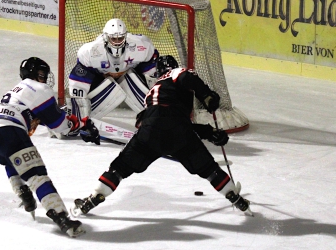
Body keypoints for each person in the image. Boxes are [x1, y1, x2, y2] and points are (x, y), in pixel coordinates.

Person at [70, 55, 251, 217]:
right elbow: (179, 110)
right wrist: (207, 96)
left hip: (149, 132)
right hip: (180, 132)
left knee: (119, 169)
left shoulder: (151, 93)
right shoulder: (175, 73)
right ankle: (236, 199)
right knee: (209, 170)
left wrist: (209, 132)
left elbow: (158, 121)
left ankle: (92, 199)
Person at [0, 57, 99, 237]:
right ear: (37, 75)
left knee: (12, 158)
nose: (46, 79)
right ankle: (62, 219)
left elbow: (34, 116)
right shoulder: (40, 89)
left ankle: (23, 192)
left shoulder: (18, 90)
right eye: (43, 74)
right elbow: (61, 126)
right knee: (37, 176)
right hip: (8, 130)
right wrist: (82, 125)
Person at [65, 18, 159, 137]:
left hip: (129, 78)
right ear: (105, 37)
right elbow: (79, 81)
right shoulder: (90, 51)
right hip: (102, 80)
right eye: (113, 38)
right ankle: (77, 120)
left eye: (120, 38)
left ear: (125, 36)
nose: (117, 42)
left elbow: (151, 77)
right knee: (80, 88)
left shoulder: (141, 46)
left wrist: (157, 100)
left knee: (153, 84)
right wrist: (80, 116)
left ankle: (156, 120)